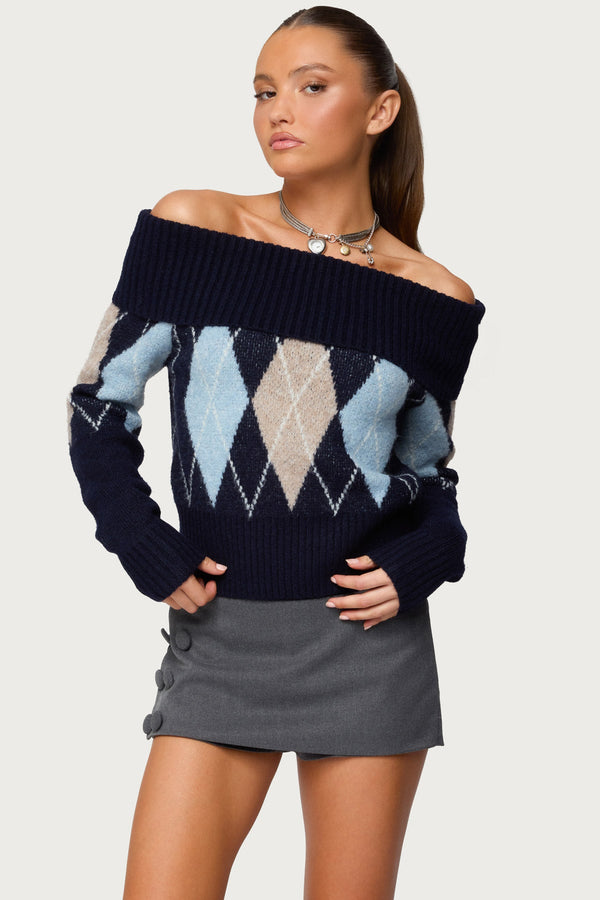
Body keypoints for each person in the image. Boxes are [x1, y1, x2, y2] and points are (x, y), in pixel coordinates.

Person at [66, 6, 486, 899]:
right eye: (262, 92)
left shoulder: (434, 297)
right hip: (221, 638)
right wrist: (141, 540)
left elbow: (430, 477)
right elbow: (97, 406)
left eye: (310, 86)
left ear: (380, 110)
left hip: (365, 648)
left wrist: (427, 558)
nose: (277, 111)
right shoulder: (195, 226)